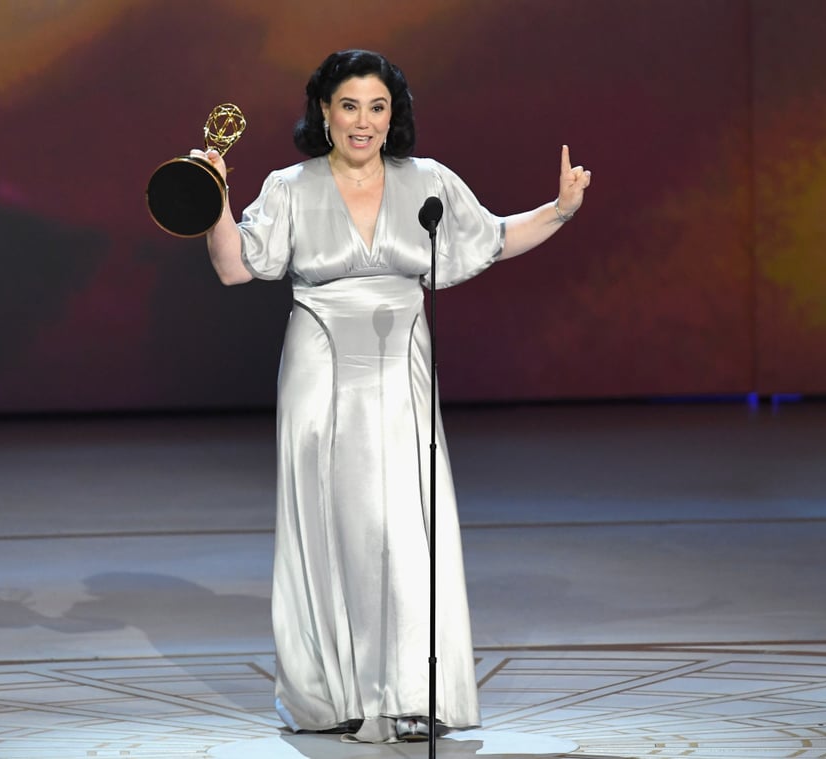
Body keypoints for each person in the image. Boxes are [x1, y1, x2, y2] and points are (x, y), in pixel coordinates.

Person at [190, 49, 591, 744]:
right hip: (319, 362)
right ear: (323, 110)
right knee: (331, 516)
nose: (363, 122)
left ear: (393, 115)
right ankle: (329, 695)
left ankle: (411, 691)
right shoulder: (290, 186)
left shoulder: (426, 181)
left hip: (401, 358)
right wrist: (212, 196)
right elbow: (234, 266)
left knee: (405, 520)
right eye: (349, 105)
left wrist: (560, 210)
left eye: (378, 107)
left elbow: (490, 239)